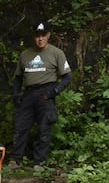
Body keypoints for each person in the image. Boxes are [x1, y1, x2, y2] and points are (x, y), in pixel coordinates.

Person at [9, 21, 72, 168]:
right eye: (37, 36)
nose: (40, 39)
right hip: (29, 92)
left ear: (48, 35)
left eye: (43, 35)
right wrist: (16, 94)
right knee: (21, 126)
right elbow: (18, 77)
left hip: (46, 91)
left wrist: (55, 91)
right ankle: (15, 159)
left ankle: (39, 161)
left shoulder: (56, 53)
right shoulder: (25, 54)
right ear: (34, 37)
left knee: (44, 127)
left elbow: (68, 76)